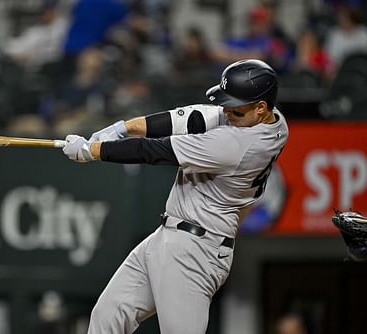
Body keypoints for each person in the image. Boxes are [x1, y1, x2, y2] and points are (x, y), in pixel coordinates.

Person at [62, 59, 288, 333]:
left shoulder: (237, 146)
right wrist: (123, 127)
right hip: (170, 234)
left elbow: (155, 151)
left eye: (235, 108)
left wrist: (94, 151)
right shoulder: (272, 120)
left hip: (196, 250)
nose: (226, 112)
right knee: (107, 316)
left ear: (261, 108)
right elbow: (188, 118)